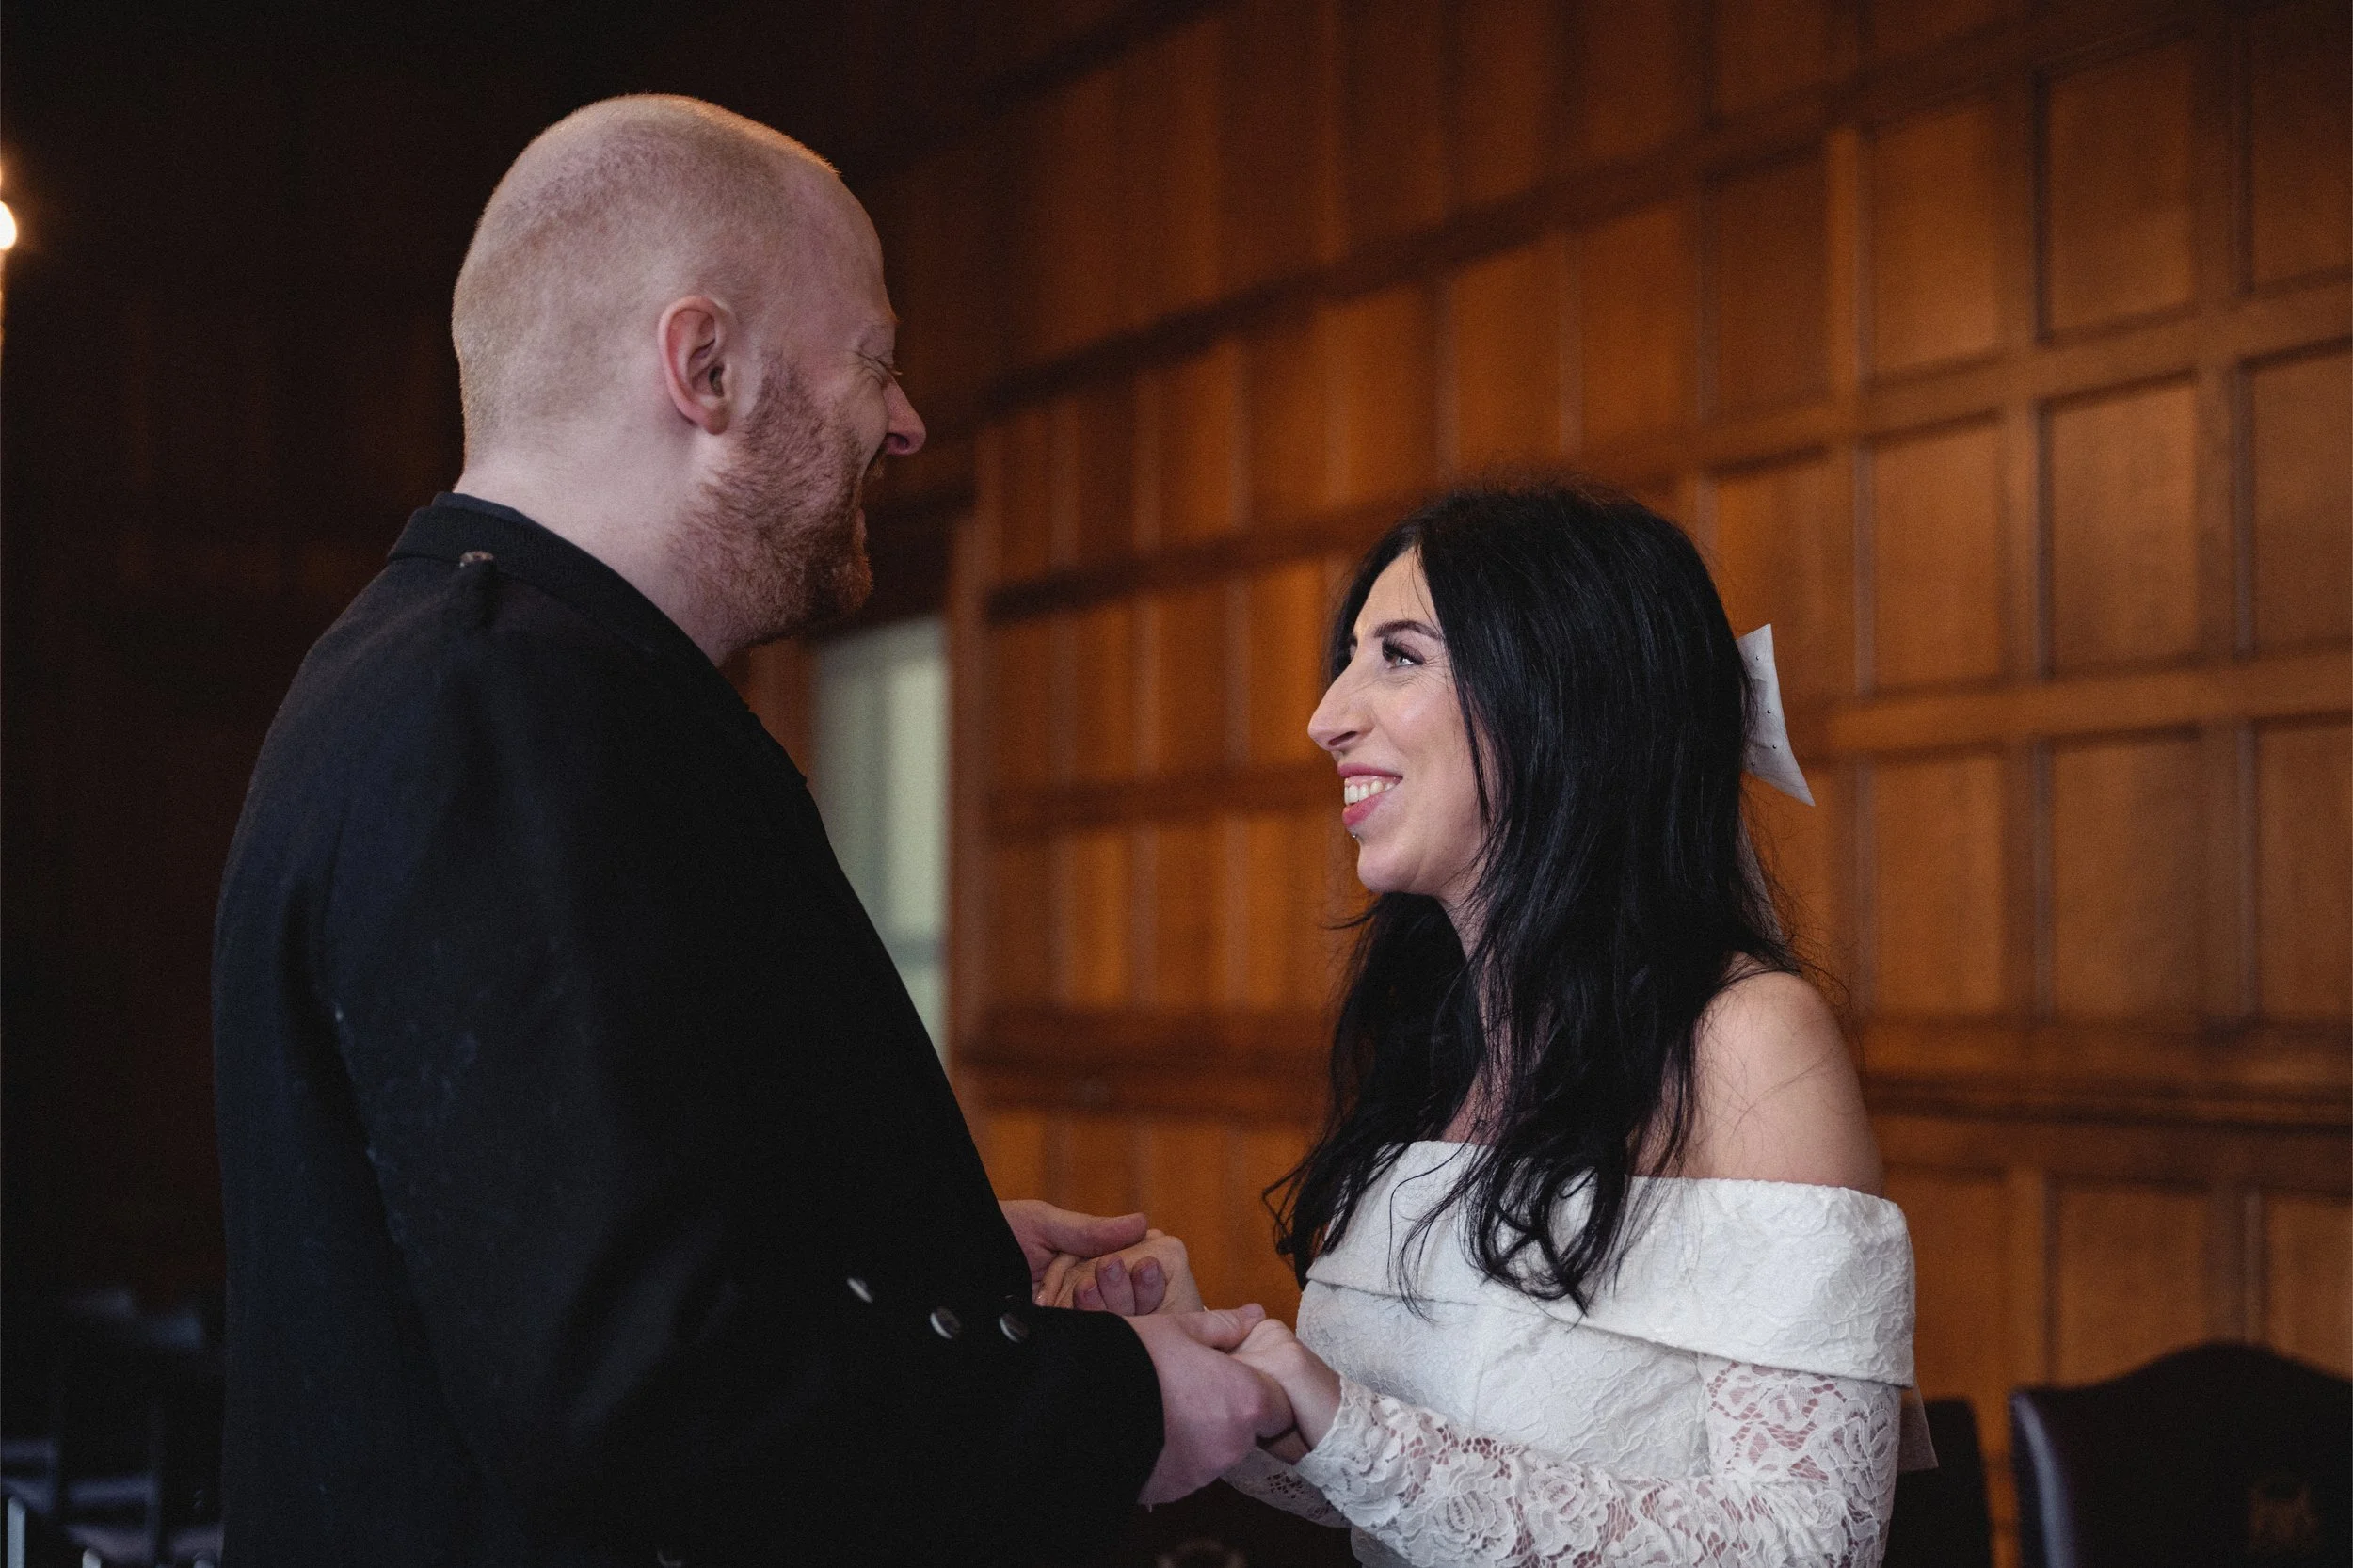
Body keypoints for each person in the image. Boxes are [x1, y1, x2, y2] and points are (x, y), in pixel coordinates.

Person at [210, 95, 1289, 1568]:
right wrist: (1117, 1408)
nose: (903, 422)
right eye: (874, 360)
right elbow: (632, 1391)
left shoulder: (473, 670)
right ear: (704, 367)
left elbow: (553, 1231)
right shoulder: (505, 716)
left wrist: (931, 1261)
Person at [1055, 483, 1924, 1567]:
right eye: (1350, 657)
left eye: (1398, 656)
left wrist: (1341, 1420)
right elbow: (1399, 1495)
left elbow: (1809, 1543)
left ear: (1560, 699)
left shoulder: (1746, 1040)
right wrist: (1238, 1377)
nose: (1325, 717)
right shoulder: (1443, 1043)